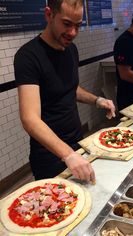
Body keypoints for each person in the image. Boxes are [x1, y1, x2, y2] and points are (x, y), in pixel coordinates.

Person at [14, 0, 116, 182]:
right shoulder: (28, 56)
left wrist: (97, 100)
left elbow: (69, 88)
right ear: (49, 15)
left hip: (77, 141)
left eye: (78, 26)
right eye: (67, 24)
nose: (73, 33)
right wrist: (68, 154)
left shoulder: (71, 49)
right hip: (49, 154)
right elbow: (29, 118)